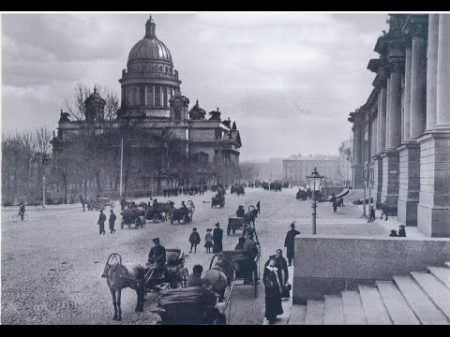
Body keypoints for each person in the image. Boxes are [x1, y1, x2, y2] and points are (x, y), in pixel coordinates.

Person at [263, 255, 283, 324]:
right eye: (272, 261)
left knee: (275, 301)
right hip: (269, 289)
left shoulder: (276, 268)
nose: (273, 262)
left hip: (275, 288)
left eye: (274, 261)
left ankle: (274, 315)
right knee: (270, 303)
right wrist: (267, 284)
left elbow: (279, 278)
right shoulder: (267, 268)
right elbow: (264, 278)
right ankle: (270, 316)